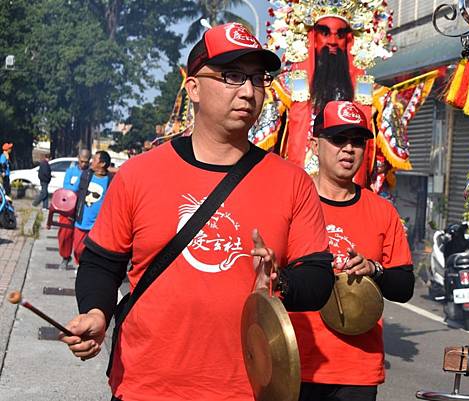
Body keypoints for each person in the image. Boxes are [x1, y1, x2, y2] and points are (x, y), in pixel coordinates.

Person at [61, 23, 334, 401]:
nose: (248, 90)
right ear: (192, 88)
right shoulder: (139, 174)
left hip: (247, 389)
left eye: (258, 78)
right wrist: (95, 313)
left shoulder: (293, 182)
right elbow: (101, 263)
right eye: (232, 75)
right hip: (145, 385)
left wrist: (279, 282)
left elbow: (319, 279)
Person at [290, 101, 415, 401]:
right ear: (314, 144)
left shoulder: (383, 211)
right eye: (337, 139)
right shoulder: (290, 202)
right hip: (295, 364)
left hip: (356, 369)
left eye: (357, 142)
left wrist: (374, 269)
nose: (348, 149)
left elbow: (404, 286)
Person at [250, 3, 438, 189]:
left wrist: (390, 108)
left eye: (339, 34)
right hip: (298, 190)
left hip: (350, 193)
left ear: (348, 40)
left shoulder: (372, 94)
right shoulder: (285, 88)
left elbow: (384, 158)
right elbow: (259, 147)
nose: (332, 41)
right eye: (325, 32)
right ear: (312, 37)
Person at [72, 150, 112, 265]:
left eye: (94, 160)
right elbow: (73, 191)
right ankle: (79, 263)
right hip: (81, 220)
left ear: (102, 164)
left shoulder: (110, 180)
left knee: (93, 252)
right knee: (78, 250)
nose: (91, 162)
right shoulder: (86, 175)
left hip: (98, 224)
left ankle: (86, 268)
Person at [57, 149, 91, 269]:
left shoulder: (90, 173)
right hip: (68, 208)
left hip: (83, 208)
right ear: (78, 159)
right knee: (64, 235)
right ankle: (65, 257)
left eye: (86, 162)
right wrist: (80, 179)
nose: (84, 164)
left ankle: (80, 261)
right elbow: (67, 187)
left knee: (80, 239)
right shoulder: (71, 171)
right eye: (82, 161)